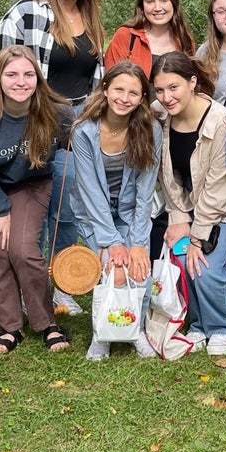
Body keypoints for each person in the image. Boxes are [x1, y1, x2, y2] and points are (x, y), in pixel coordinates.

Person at [0, 0, 105, 312]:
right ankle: (32, 287)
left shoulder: (90, 18)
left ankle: (62, 282)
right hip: (39, 118)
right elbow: (7, 70)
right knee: (36, 205)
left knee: (69, 203)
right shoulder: (27, 12)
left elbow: (96, 78)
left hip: (80, 121)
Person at [0, 46, 73, 355]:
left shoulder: (58, 112)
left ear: (38, 77)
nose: (21, 82)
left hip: (31, 186)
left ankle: (45, 321)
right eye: (11, 75)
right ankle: (10, 326)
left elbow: (80, 146)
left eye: (28, 74)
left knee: (23, 251)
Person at [152, 51, 226, 355]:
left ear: (193, 82)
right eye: (159, 89)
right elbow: (166, 174)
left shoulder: (221, 121)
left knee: (204, 264)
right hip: (188, 207)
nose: (167, 97)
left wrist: (197, 235)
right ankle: (198, 325)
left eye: (174, 87)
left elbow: (220, 186)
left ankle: (223, 327)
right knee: (183, 259)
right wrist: (179, 217)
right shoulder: (159, 114)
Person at [69, 60, 163, 361]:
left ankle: (135, 330)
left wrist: (136, 242)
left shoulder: (151, 129)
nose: (124, 98)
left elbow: (146, 190)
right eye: (119, 89)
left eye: (134, 93)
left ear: (142, 99)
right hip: (93, 211)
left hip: (132, 209)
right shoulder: (84, 130)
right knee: (110, 266)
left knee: (139, 268)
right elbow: (89, 190)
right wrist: (112, 241)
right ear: (106, 89)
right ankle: (102, 333)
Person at [105, 0, 195, 77]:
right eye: (150, 2)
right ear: (141, 5)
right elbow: (112, 84)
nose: (157, 8)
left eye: (164, 0)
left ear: (173, 3)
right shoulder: (126, 36)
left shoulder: (185, 41)